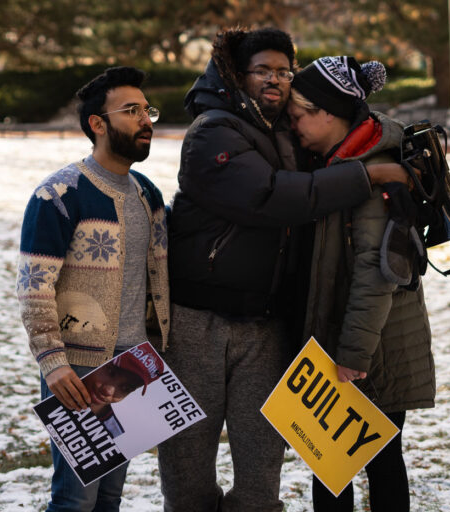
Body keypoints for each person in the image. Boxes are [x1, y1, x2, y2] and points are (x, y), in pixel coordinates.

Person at [157, 27, 411, 512]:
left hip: (268, 325)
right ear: (237, 74)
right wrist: (367, 174)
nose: (275, 80)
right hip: (199, 321)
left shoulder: (290, 135)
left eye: (283, 70)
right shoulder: (213, 130)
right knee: (188, 472)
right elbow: (270, 196)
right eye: (262, 70)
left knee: (261, 480)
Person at [16, 66, 170, 512]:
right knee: (74, 500)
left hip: (132, 368)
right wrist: (53, 363)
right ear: (97, 124)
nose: (146, 121)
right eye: (131, 110)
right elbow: (33, 286)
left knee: (110, 498)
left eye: (148, 110)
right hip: (79, 372)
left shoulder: (149, 195)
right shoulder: (60, 194)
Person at [287, 55, 435, 512]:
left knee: (369, 460)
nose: (293, 126)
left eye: (297, 116)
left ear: (327, 113)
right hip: (358, 339)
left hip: (375, 348)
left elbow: (377, 272)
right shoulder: (344, 159)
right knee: (333, 461)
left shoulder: (374, 170)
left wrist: (352, 355)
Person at [81, 343, 165, 438]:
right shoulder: (63, 370)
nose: (108, 391)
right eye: (110, 372)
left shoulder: (113, 435)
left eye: (126, 388)